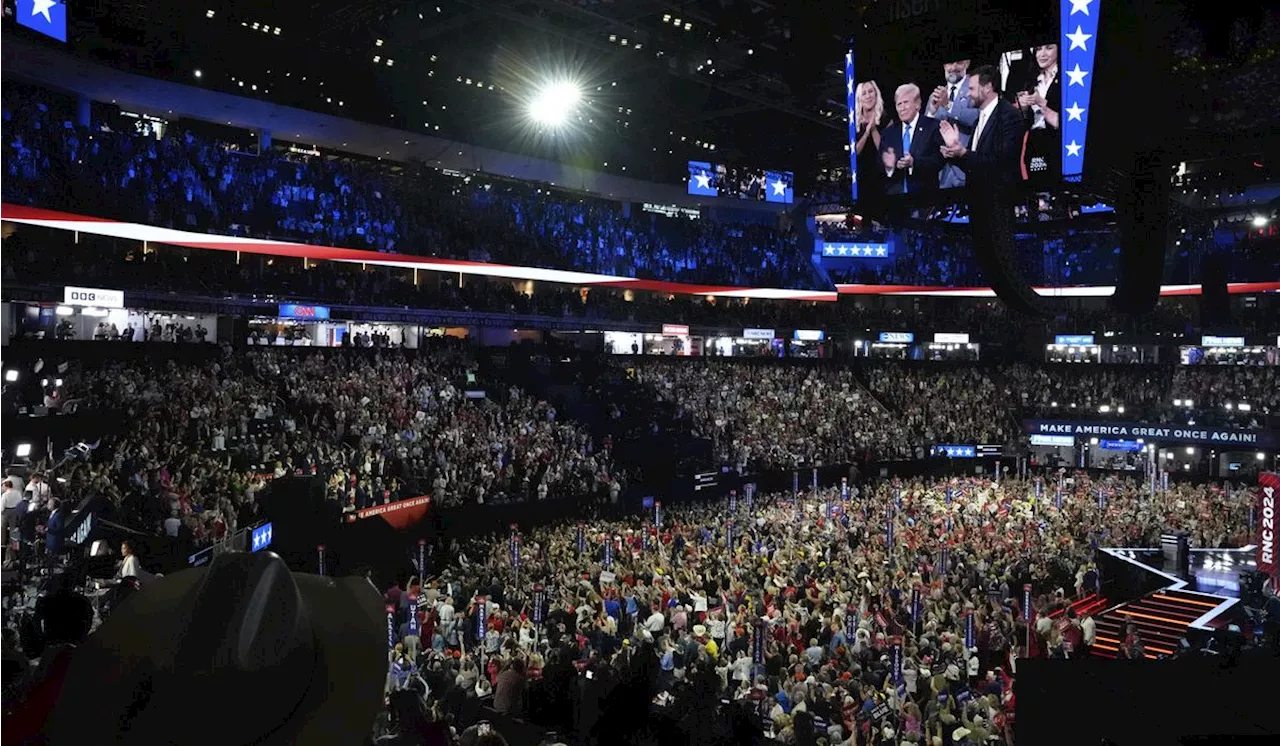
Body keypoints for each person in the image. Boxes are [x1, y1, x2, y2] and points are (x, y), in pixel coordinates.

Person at [938, 65, 1027, 188]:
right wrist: (954, 153)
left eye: (972, 89)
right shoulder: (979, 118)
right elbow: (972, 164)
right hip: (977, 197)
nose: (968, 94)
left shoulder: (1009, 115)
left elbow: (1002, 162)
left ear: (987, 88)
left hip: (999, 198)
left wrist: (963, 153)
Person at [879, 83, 944, 195]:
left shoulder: (932, 126)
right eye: (899, 104)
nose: (902, 108)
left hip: (925, 198)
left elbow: (939, 161)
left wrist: (914, 163)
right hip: (896, 199)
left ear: (917, 104)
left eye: (906, 103)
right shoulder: (888, 133)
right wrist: (890, 166)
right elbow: (878, 165)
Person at [925, 60, 980, 188]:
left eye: (958, 63)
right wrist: (932, 112)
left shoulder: (974, 89)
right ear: (944, 66)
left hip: (967, 169)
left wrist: (947, 106)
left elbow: (977, 120)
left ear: (967, 63)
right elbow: (925, 135)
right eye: (949, 64)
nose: (953, 67)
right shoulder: (935, 96)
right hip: (942, 172)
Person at [1012, 43, 1061, 183]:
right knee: (1035, 183)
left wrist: (1041, 102)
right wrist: (1023, 107)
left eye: (1049, 48)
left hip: (1057, 140)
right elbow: (1026, 120)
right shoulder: (1032, 81)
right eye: (1038, 49)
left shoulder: (1066, 78)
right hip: (1035, 141)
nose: (1042, 54)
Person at [853, 80, 889, 196]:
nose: (868, 96)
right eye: (864, 93)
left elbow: (886, 152)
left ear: (876, 93)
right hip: (861, 177)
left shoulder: (885, 118)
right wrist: (866, 132)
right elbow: (854, 152)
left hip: (882, 177)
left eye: (870, 91)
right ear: (859, 98)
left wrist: (873, 130)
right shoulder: (854, 123)